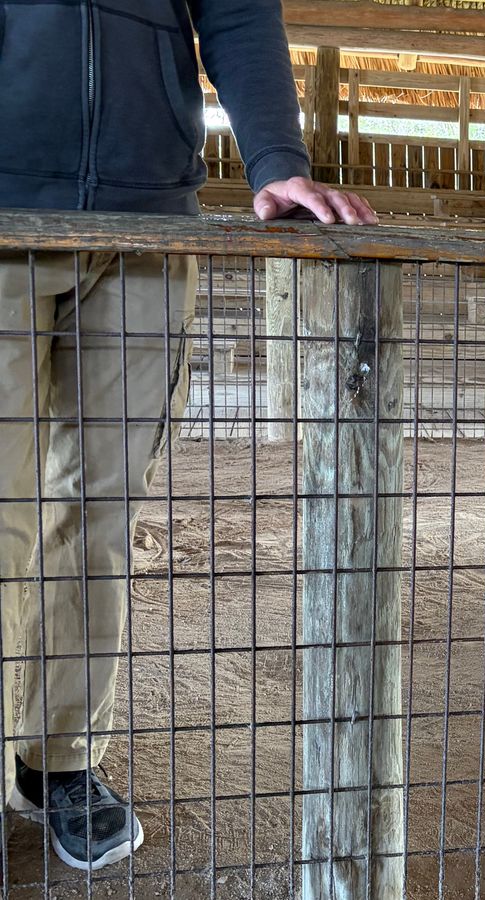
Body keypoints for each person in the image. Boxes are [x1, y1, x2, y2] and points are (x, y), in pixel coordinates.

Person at [0, 0, 376, 871]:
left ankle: (60, 760)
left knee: (99, 515)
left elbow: (238, 12)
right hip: (6, 209)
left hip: (149, 224)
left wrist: (277, 161)